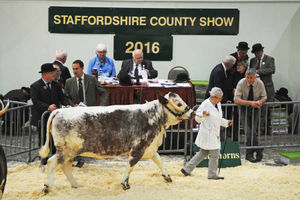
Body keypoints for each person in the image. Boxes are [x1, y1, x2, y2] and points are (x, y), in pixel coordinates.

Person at [181, 87, 233, 179]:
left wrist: (226, 122)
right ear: (213, 97)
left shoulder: (218, 104)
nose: (220, 100)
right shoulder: (205, 104)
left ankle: (187, 169)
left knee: (203, 153)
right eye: (218, 98)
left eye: (221, 98)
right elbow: (197, 119)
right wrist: (203, 115)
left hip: (213, 132)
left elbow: (217, 118)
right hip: (207, 133)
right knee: (215, 153)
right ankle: (212, 174)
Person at [30, 63, 70, 165]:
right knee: (44, 138)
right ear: (45, 74)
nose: (54, 75)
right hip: (42, 117)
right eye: (52, 73)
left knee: (55, 138)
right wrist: (48, 107)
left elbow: (62, 97)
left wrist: (68, 105)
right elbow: (35, 101)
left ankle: (54, 157)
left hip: (54, 118)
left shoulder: (56, 85)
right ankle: (44, 159)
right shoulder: (35, 86)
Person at [234, 68, 267, 162]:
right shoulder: (241, 83)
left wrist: (261, 101)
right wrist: (250, 103)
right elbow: (236, 99)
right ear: (245, 76)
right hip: (243, 107)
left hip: (256, 108)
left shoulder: (260, 83)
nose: (249, 79)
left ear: (255, 77)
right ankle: (258, 148)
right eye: (247, 77)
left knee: (252, 130)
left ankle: (249, 154)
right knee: (248, 130)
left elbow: (264, 96)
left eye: (251, 77)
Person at [229, 60, 248, 141]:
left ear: (244, 66)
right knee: (235, 119)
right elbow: (230, 84)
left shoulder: (247, 75)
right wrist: (233, 89)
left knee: (246, 120)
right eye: (237, 65)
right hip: (236, 100)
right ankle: (235, 138)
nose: (238, 67)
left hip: (245, 100)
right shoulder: (234, 74)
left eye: (240, 65)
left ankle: (249, 138)